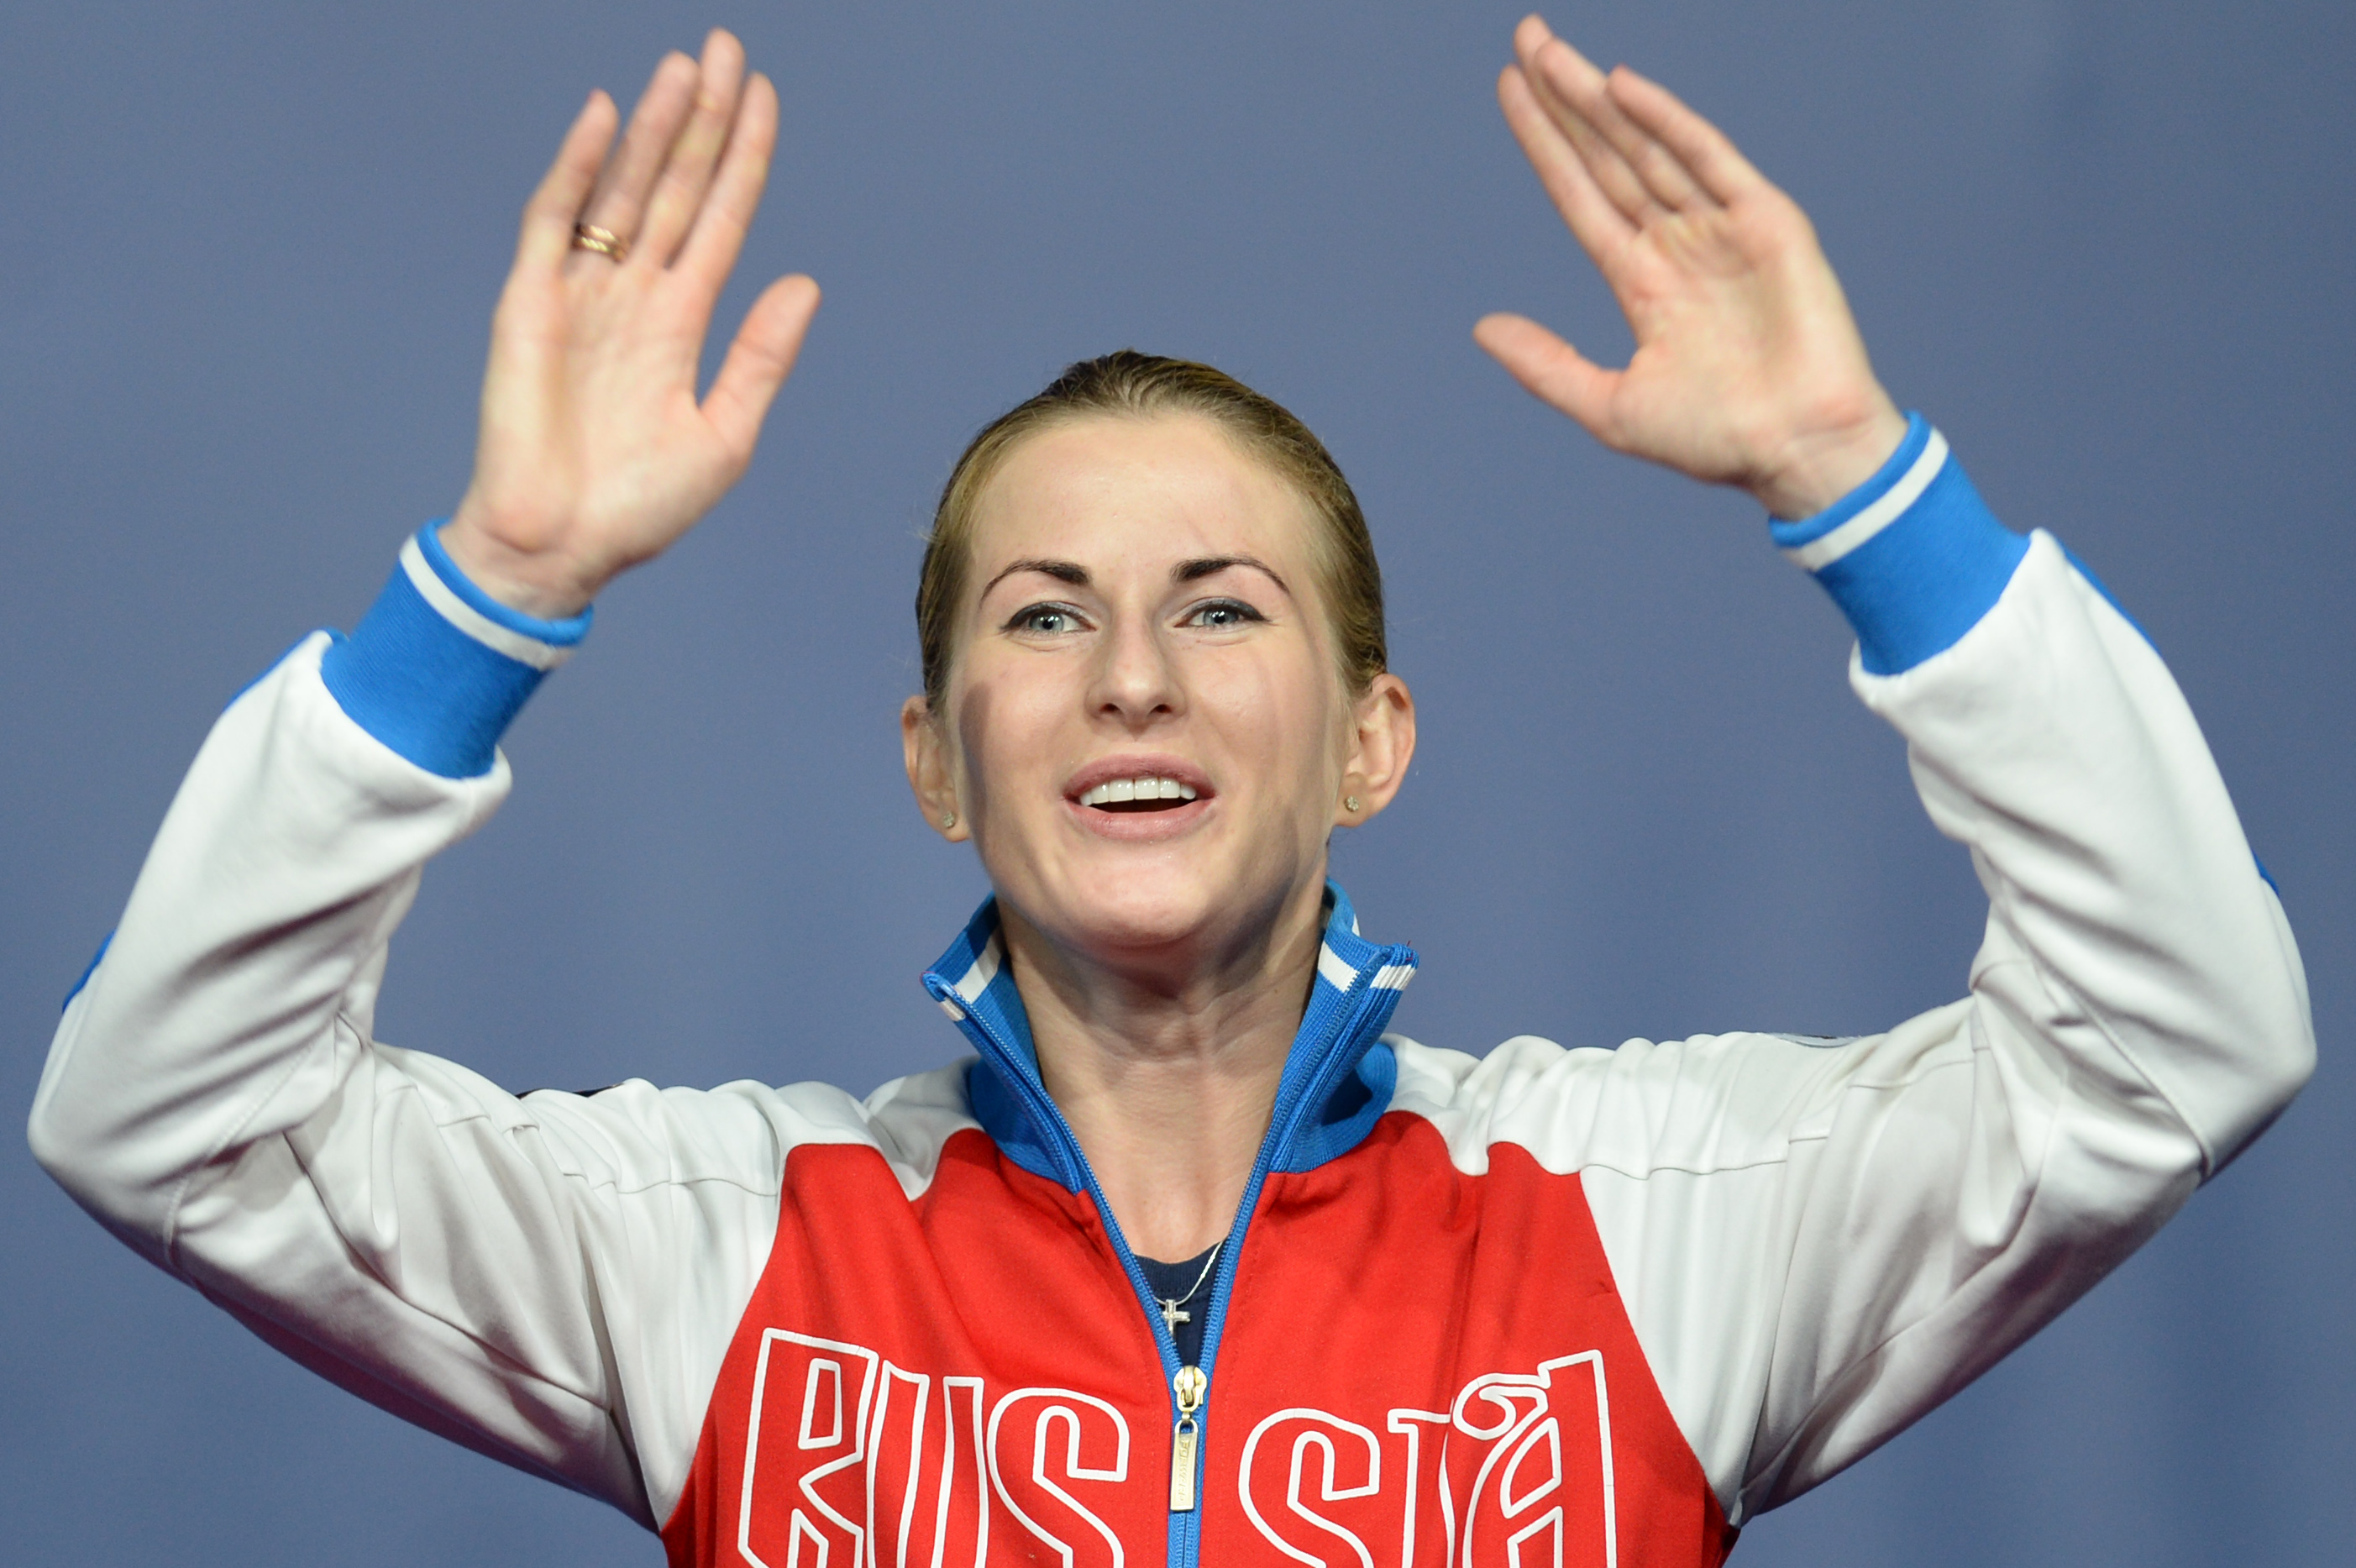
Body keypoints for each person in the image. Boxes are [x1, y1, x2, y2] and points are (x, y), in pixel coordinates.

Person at [28, 14, 2311, 1568]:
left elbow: (2179, 1033)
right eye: (1042, 616)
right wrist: (495, 584)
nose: (1130, 675)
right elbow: (164, 1115)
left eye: (1223, 608)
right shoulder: (721, 1247)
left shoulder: (1655, 1217)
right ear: (938, 762)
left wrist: (1856, 478)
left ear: (1370, 738)